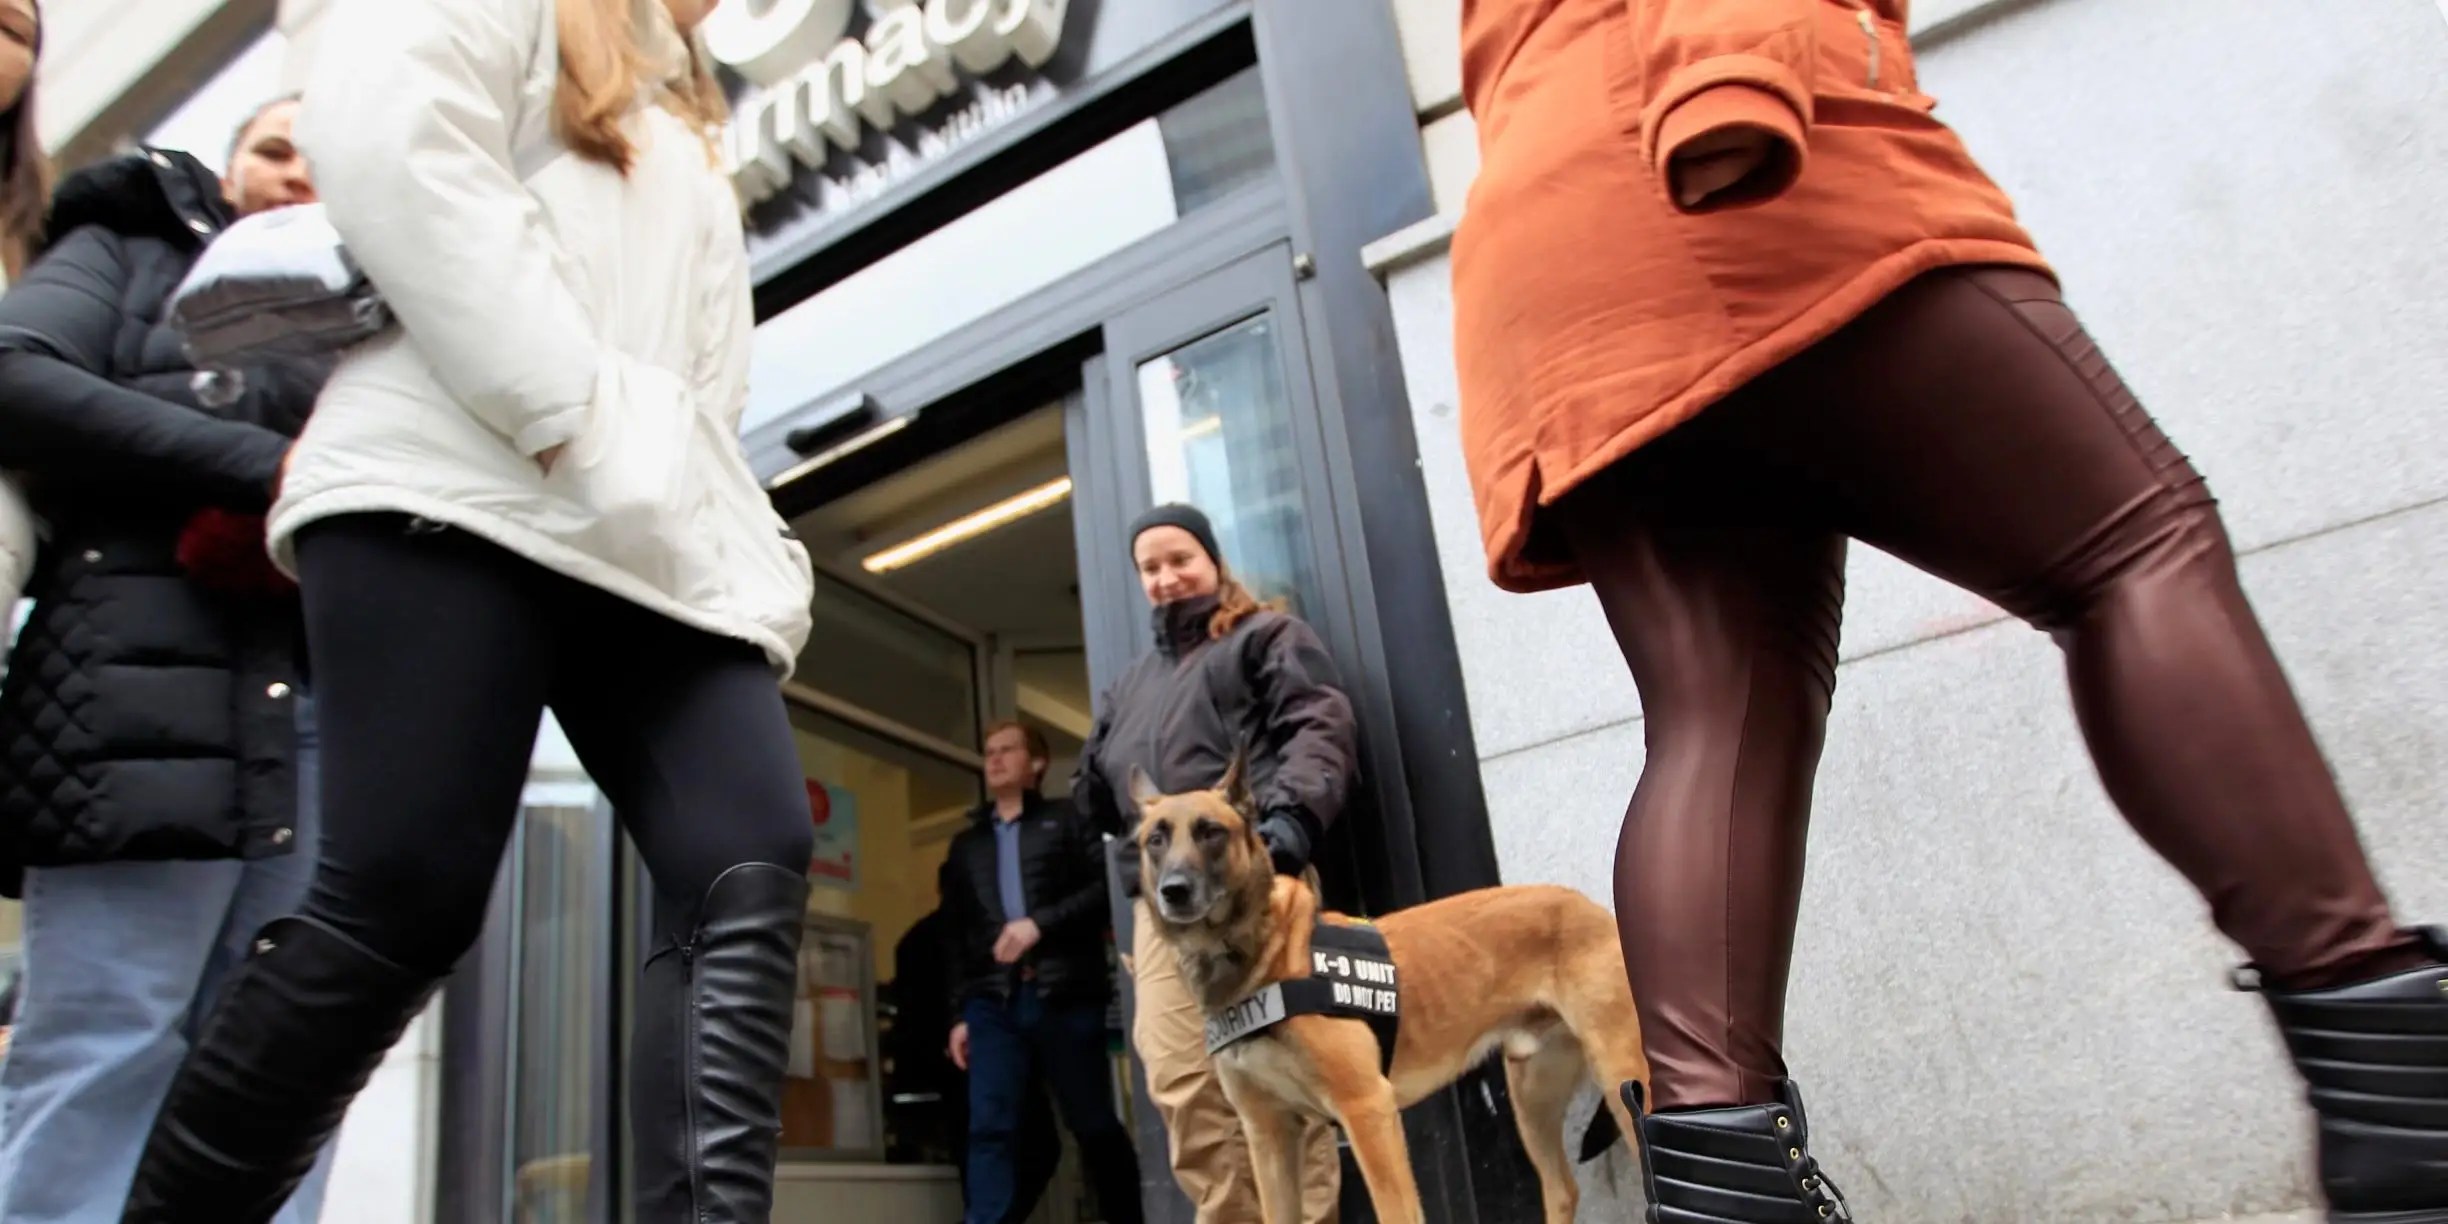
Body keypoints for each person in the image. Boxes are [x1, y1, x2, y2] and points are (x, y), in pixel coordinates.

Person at [1450, 1, 2447, 1217]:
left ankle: (1725, 1197)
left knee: (1717, 718)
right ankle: (2407, 1108)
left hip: (1548, 254)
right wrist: (1730, 72)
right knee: (2132, 551)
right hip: (1732, 130)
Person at [120, 0, 821, 1220]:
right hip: (452, 473)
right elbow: (395, 143)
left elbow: (706, 380)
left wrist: (718, 530)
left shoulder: (682, 101)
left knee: (748, 847)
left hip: (636, 523)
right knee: (400, 897)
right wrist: (568, 409)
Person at [0, 92, 334, 1224]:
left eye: (329, 155)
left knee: (286, 1061)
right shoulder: (130, 247)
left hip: (331, 706)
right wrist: (271, 469)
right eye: (275, 147)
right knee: (108, 1035)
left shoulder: (409, 304)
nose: (299, 171)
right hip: (140, 693)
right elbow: (15, 375)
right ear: (225, 166)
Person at [1073, 504, 1354, 1224]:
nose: (1166, 578)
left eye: (1180, 560)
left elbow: (1318, 725)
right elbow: (1105, 791)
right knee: (1180, 1080)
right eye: (1150, 568)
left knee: (1287, 1071)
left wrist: (1289, 824)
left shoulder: (1265, 635)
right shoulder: (1131, 683)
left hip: (1255, 892)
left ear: (1213, 561)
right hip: (1163, 912)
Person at [944, 721, 1141, 1224]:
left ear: (1036, 764)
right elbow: (958, 936)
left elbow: (1104, 891)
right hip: (994, 1004)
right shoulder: (967, 846)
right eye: (988, 752)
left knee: (1092, 1123)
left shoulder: (1069, 819)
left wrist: (1039, 925)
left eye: (1007, 750)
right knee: (991, 1125)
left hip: (1064, 992)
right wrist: (961, 1013)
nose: (995, 759)